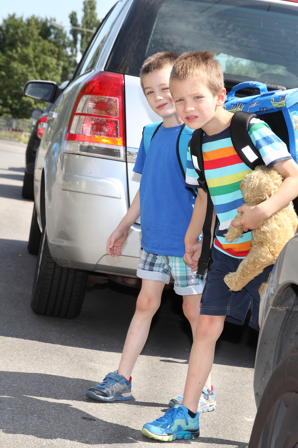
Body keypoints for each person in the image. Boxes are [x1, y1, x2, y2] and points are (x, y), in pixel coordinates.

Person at [141, 51, 298, 442]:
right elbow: (203, 194)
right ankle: (188, 414)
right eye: (179, 99)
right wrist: (192, 237)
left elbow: (295, 179)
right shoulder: (195, 143)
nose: (186, 107)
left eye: (196, 98)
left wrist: (260, 212)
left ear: (220, 95)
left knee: (273, 339)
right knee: (205, 328)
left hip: (268, 254)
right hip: (226, 253)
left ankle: (278, 427)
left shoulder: (250, 129)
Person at [85, 51, 216, 413]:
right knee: (145, 304)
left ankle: (204, 389)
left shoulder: (194, 137)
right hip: (154, 240)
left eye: (165, 89)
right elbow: (147, 187)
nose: (159, 98)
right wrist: (124, 225)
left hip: (187, 243)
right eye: (149, 92)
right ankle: (122, 379)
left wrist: (201, 237)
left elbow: (207, 192)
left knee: (195, 314)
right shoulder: (149, 133)